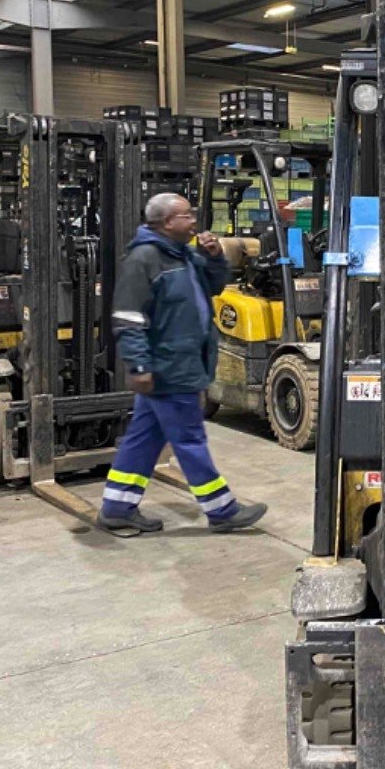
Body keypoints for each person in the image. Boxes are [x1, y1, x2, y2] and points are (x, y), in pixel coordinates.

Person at [96, 193, 267, 536]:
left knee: (143, 439)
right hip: (169, 366)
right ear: (165, 223)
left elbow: (213, 287)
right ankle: (222, 510)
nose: (193, 221)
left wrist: (214, 256)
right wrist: (138, 364)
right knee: (190, 439)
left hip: (183, 362)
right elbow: (128, 318)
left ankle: (116, 508)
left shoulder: (183, 254)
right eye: (186, 215)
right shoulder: (144, 259)